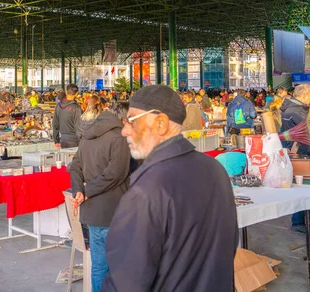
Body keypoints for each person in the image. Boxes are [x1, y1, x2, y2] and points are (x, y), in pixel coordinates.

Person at [102, 85, 238, 292]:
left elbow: (126, 282)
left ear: (161, 123)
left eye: (132, 121)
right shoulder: (215, 169)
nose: (124, 130)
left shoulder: (147, 190)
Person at [70, 102, 131, 292]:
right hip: (114, 212)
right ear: (123, 119)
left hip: (93, 214)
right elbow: (115, 174)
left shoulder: (88, 136)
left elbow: (75, 166)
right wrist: (85, 192)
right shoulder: (119, 139)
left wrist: (79, 190)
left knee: (99, 267)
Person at [280, 84, 310, 233]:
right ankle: (298, 222)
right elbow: (309, 131)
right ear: (305, 95)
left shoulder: (295, 109)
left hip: (299, 151)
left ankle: (301, 221)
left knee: (303, 188)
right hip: (299, 153)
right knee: (302, 188)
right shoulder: (295, 111)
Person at [53, 84, 83, 148]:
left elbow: (55, 123)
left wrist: (56, 140)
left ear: (66, 92)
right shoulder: (76, 108)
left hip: (63, 139)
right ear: (77, 93)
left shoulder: (58, 106)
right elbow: (79, 126)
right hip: (75, 141)